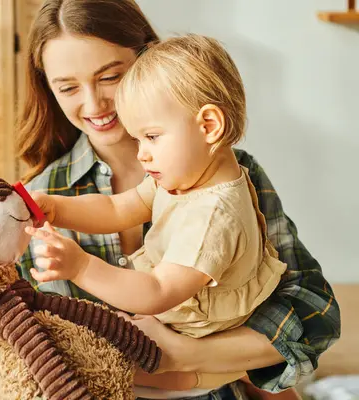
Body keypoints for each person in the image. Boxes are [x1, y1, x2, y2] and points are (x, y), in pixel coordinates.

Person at [0, 1, 340, 399]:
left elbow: (312, 310)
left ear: (146, 61)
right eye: (68, 87)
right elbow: (7, 330)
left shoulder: (223, 184)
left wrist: (189, 355)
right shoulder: (35, 202)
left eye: (110, 77)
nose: (93, 105)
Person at [24, 33, 288, 397]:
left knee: (135, 376)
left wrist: (81, 267)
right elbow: (120, 208)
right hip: (176, 322)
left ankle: (200, 378)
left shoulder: (213, 215)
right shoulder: (188, 176)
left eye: (151, 136)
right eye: (67, 86)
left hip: (200, 331)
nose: (142, 154)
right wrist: (58, 207)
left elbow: (158, 291)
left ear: (209, 126)